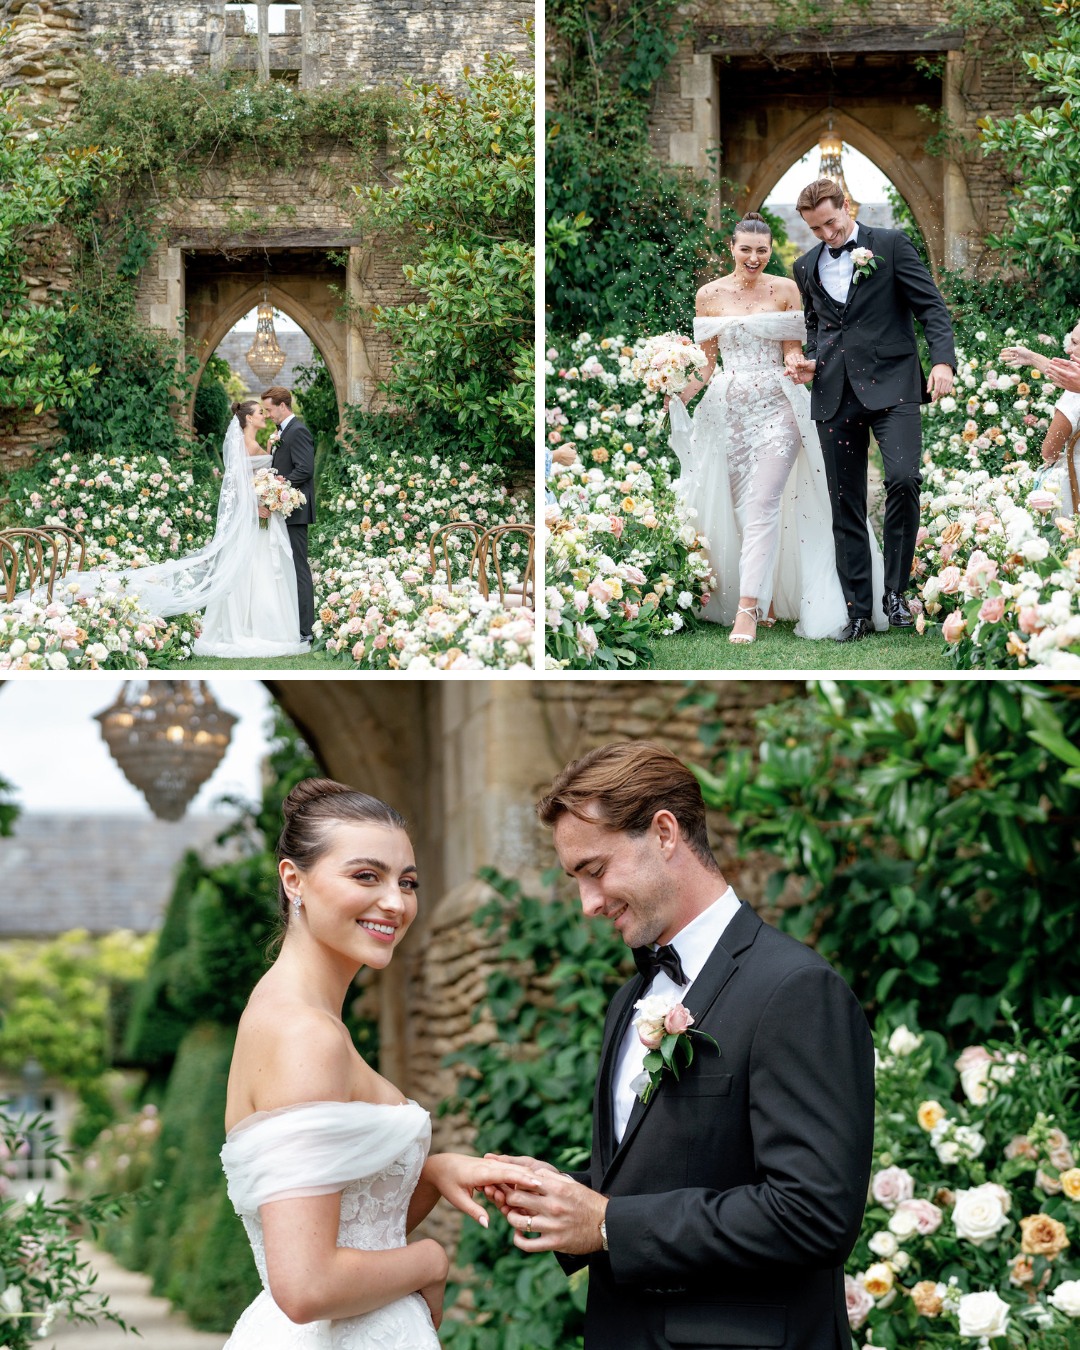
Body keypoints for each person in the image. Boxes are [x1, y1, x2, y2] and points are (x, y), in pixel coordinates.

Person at [486, 741, 875, 1350]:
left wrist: (609, 1224)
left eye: (595, 871)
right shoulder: (630, 1000)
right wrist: (560, 1194)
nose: (587, 904)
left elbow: (813, 1214)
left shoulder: (795, 989)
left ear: (664, 833)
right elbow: (673, 1167)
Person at [220, 778, 539, 1349]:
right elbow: (306, 1285)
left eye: (407, 882)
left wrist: (434, 1173)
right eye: (366, 876)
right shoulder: (305, 1036)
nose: (395, 901)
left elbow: (348, 1228)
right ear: (294, 880)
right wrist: (431, 1261)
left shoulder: (292, 1016)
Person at [667, 212, 885, 643]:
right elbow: (707, 364)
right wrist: (673, 389)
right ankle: (761, 598)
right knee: (742, 510)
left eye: (761, 250)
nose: (753, 257)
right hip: (726, 414)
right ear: (731, 248)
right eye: (745, 249)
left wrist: (797, 364)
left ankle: (747, 611)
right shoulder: (707, 295)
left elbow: (792, 350)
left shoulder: (786, 289)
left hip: (777, 406)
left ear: (770, 251)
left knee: (764, 502)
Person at [790, 179, 957, 642]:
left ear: (846, 206)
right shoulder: (805, 267)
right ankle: (858, 611)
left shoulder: (890, 244)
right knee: (845, 503)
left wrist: (942, 360)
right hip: (833, 393)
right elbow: (815, 327)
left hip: (895, 386)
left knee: (903, 478)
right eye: (815, 228)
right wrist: (807, 361)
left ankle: (896, 595)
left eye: (830, 222)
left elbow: (931, 309)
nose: (826, 234)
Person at [48, 400, 308, 657]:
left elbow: (257, 480)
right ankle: (257, 629)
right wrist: (257, 506)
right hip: (256, 516)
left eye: (266, 411)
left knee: (257, 571)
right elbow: (240, 487)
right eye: (260, 412)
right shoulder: (247, 446)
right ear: (249, 418)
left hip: (262, 518)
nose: (264, 415)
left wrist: (269, 484)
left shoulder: (255, 444)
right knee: (255, 572)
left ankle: (257, 626)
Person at [1002, 323, 1080, 514]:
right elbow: (1064, 373)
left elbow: (1049, 449)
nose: (1068, 349)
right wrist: (1031, 357)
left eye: (1076, 343)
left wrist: (1052, 457)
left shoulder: (1074, 396)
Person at [263, 386, 316, 643]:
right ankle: (293, 624)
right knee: (286, 568)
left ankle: (306, 630)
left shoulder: (298, 431)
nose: (268, 414)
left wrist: (278, 489)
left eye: (269, 409)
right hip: (284, 508)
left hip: (295, 509)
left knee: (298, 568)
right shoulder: (283, 432)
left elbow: (305, 469)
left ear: (283, 406)